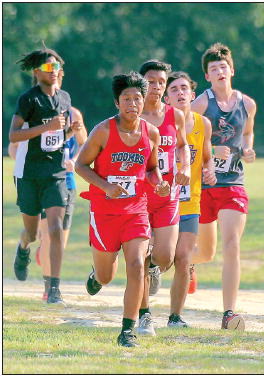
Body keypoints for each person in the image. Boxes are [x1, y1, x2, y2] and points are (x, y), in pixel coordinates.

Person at [75, 71, 170, 348]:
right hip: (104, 212)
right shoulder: (103, 131)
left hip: (136, 211)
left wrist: (160, 184)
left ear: (144, 101)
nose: (132, 103)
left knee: (138, 265)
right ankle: (97, 274)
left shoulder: (151, 133)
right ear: (117, 103)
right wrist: (105, 186)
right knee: (107, 275)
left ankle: (128, 330)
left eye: (137, 98)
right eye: (126, 98)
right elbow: (81, 165)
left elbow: (152, 169)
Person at [190, 42, 257, 330]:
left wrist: (248, 150)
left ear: (232, 70)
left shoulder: (248, 104)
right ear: (207, 76)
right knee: (206, 253)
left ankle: (229, 313)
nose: (219, 72)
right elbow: (185, 140)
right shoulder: (201, 104)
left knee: (232, 244)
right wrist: (211, 150)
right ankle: (187, 262)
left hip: (233, 183)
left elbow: (248, 134)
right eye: (213, 69)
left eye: (223, 67)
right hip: (204, 186)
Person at [9, 47, 80, 304]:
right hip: (28, 173)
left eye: (58, 68)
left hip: (56, 173)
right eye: (50, 68)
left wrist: (70, 131)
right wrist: (46, 127)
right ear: (37, 72)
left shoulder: (65, 98)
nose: (55, 72)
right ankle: (23, 247)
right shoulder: (28, 100)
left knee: (55, 229)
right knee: (32, 233)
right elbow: (14, 136)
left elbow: (57, 138)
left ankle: (53, 288)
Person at [136, 60, 191, 336]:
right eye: (151, 81)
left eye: (161, 82)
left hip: (168, 195)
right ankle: (144, 315)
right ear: (141, 83)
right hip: (139, 197)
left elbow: (182, 147)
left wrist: (185, 168)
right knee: (140, 257)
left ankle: (155, 269)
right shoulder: (133, 117)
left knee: (165, 256)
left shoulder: (175, 116)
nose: (156, 86)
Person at [164, 71, 216, 327]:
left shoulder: (202, 124)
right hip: (159, 201)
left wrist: (210, 170)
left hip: (190, 201)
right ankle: (142, 310)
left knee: (183, 257)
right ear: (166, 97)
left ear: (193, 95)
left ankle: (175, 316)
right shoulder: (158, 123)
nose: (180, 92)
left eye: (184, 88)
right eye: (174, 89)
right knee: (159, 257)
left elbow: (206, 157)